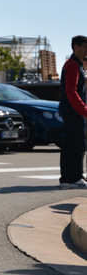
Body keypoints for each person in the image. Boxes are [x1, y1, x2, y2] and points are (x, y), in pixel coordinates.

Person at [59, 35, 87, 189]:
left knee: (70, 144)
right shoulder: (72, 65)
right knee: (78, 144)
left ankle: (66, 179)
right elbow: (71, 92)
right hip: (73, 112)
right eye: (84, 47)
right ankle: (75, 178)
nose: (86, 51)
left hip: (71, 111)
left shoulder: (76, 64)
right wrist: (84, 110)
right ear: (76, 47)